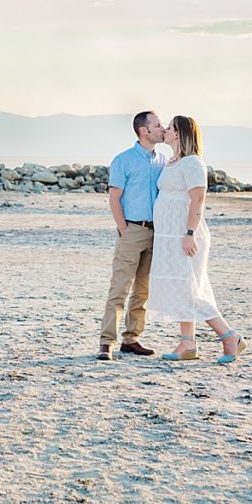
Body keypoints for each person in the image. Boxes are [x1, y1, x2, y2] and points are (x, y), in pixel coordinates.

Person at [147, 115, 248, 364]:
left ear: (180, 134)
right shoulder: (172, 162)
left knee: (193, 289)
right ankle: (188, 342)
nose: (165, 131)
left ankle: (229, 336)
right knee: (183, 287)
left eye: (170, 128)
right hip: (169, 237)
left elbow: (198, 200)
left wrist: (189, 233)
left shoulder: (193, 163)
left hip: (187, 235)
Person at [97, 110, 168, 360]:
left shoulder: (163, 160)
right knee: (120, 287)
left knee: (143, 289)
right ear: (143, 131)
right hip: (132, 230)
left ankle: (132, 338)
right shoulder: (123, 160)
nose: (163, 128)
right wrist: (124, 230)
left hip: (156, 232)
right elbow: (114, 198)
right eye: (158, 125)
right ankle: (107, 342)